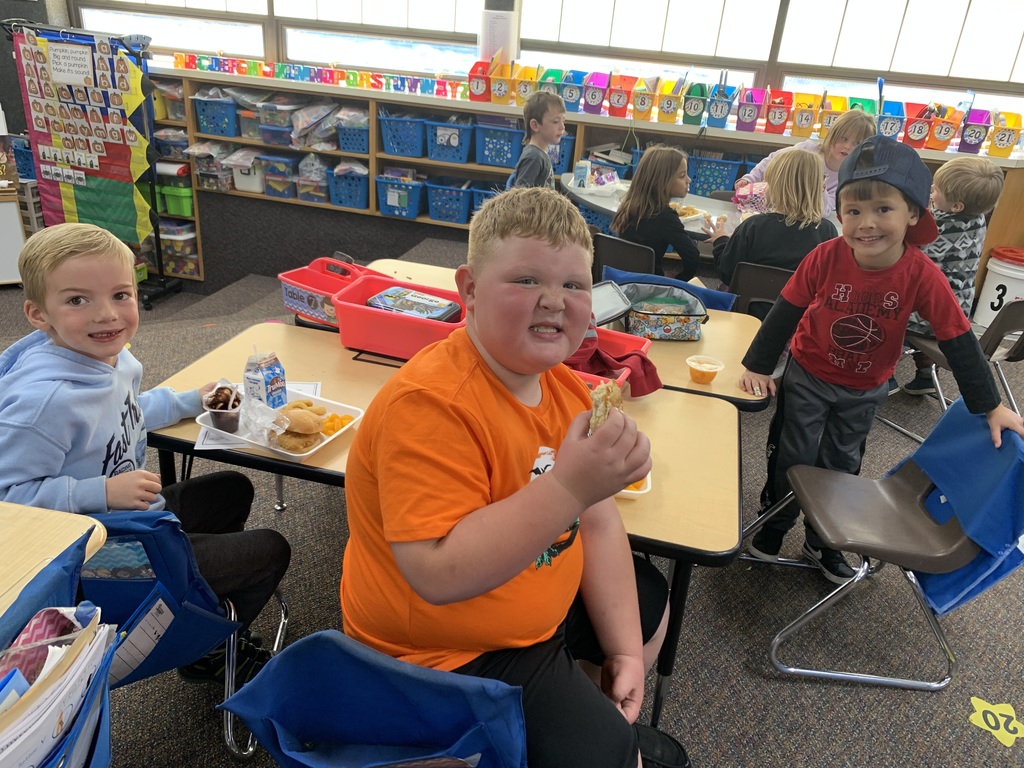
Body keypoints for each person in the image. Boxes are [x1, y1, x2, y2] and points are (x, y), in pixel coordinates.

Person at [340, 187, 672, 768]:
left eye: (574, 285)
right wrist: (569, 486)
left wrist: (624, 652)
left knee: (648, 600)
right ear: (469, 290)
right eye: (526, 280)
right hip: (444, 654)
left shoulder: (568, 389)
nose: (554, 300)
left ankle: (582, 713)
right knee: (617, 758)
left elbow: (596, 523)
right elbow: (437, 572)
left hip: (527, 611)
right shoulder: (433, 405)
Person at [0, 223, 291, 685]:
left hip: (130, 515)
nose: (106, 315)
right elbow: (9, 503)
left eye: (120, 295)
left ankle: (193, 600)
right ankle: (207, 651)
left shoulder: (105, 356)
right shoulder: (43, 404)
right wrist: (99, 491)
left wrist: (188, 401)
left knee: (232, 490)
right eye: (77, 300)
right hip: (98, 555)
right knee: (271, 550)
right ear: (38, 314)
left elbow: (124, 410)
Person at [738, 135, 1024, 584]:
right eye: (853, 211)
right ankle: (773, 528)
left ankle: (823, 543)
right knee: (791, 456)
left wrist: (990, 405)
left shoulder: (921, 274)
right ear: (840, 213)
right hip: (808, 375)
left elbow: (957, 337)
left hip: (865, 388)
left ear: (913, 213)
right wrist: (758, 364)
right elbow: (787, 309)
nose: (866, 223)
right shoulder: (825, 256)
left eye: (883, 209)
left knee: (842, 464)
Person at [901, 155, 1005, 394]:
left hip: (930, 316)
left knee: (886, 309)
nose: (931, 190)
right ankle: (926, 374)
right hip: (957, 313)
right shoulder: (978, 220)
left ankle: (886, 378)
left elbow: (903, 248)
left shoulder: (935, 225)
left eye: (936, 189)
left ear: (957, 206)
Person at [707, 147, 838, 296]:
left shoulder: (752, 226)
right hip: (801, 310)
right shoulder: (827, 232)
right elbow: (828, 281)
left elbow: (727, 273)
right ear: (820, 188)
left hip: (748, 307)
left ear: (775, 187)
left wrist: (721, 242)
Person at [735, 108, 877, 217]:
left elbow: (824, 211)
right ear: (832, 135)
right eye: (843, 139)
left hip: (802, 219)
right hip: (773, 207)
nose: (848, 146)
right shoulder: (807, 149)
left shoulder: (849, 177)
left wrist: (821, 185)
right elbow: (773, 160)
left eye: (857, 143)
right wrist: (749, 179)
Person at [611, 144, 702, 279]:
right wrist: (678, 281)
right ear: (662, 181)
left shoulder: (629, 206)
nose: (688, 180)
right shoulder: (665, 217)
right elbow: (693, 257)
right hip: (648, 284)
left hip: (620, 279)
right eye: (682, 175)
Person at [510, 90, 566, 189]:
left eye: (563, 120)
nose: (562, 127)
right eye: (555, 121)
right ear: (535, 125)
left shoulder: (540, 153)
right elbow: (520, 195)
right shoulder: (533, 158)